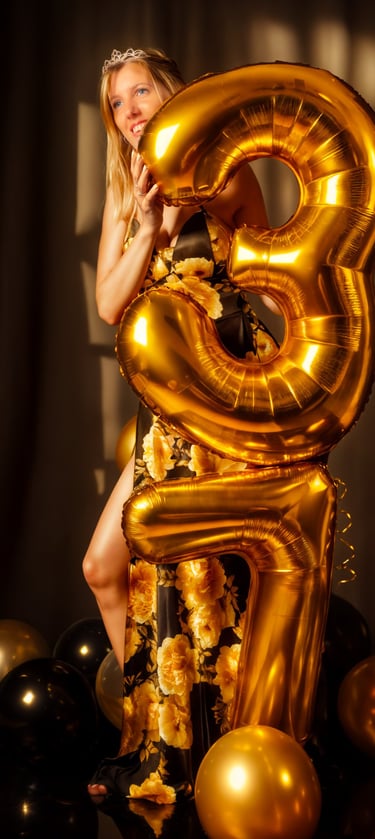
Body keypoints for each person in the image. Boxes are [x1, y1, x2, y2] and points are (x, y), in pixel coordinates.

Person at [83, 47, 278, 806]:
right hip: (162, 411)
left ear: (173, 96)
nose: (131, 111)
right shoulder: (126, 197)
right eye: (118, 104)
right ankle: (151, 732)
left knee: (211, 585)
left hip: (225, 396)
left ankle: (226, 746)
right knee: (106, 567)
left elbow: (262, 281)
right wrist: (148, 221)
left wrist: (193, 206)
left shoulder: (224, 173)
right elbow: (108, 305)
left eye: (141, 93)